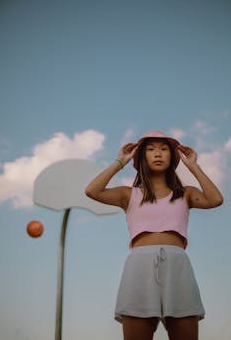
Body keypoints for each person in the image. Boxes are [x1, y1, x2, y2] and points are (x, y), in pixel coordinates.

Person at [85, 130, 223, 340]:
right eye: (150, 149)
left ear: (172, 157)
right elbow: (92, 191)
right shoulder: (128, 194)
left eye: (163, 148)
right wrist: (120, 161)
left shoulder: (185, 193)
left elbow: (215, 199)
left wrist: (193, 166)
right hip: (139, 266)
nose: (157, 153)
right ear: (142, 158)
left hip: (178, 265)